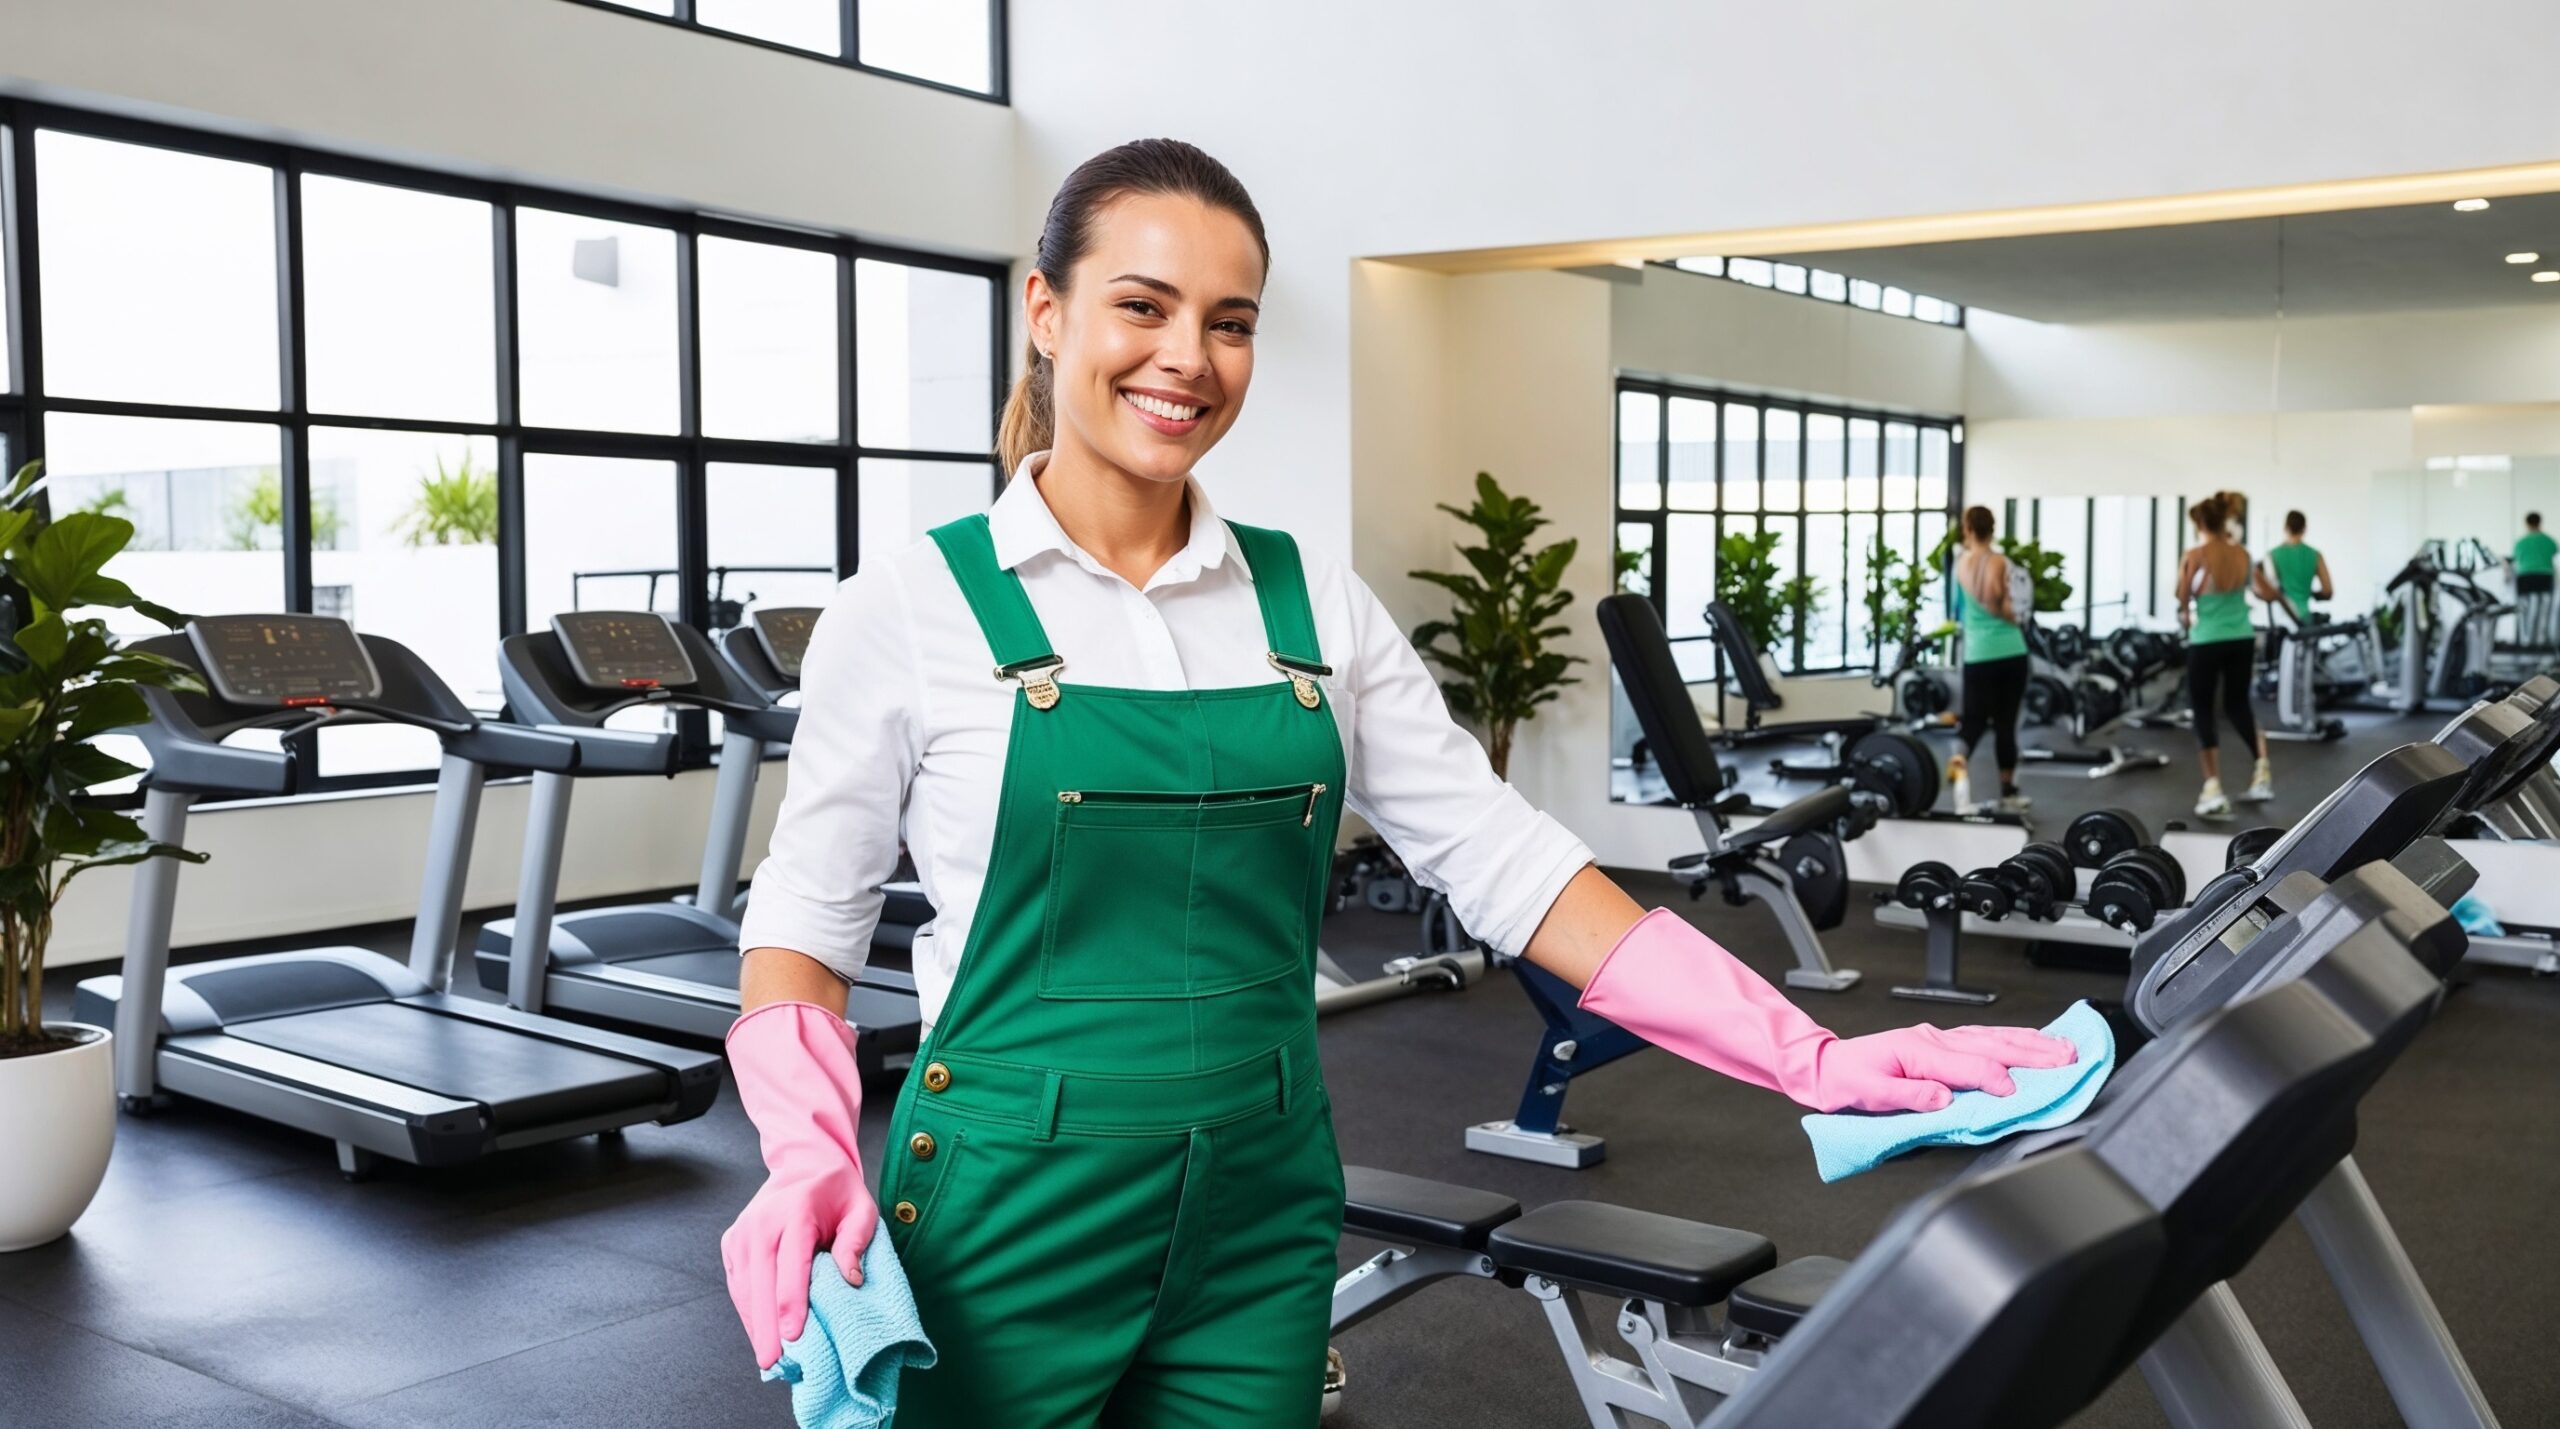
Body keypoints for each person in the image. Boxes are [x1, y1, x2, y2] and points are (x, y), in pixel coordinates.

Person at [714, 139, 2076, 1428]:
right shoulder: (911, 606)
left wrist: (1811, 1056)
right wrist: (805, 1152)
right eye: (1143, 305)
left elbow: (1511, 866)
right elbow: (804, 931)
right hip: (1010, 1199)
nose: (1188, 358)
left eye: (1230, 321)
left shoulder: (1314, 606)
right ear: (1047, 312)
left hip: (1258, 1199)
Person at [2178, 494, 2275, 819]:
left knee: (2203, 709)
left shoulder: (2196, 555)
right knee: (2238, 705)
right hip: (2242, 637)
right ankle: (2261, 771)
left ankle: (2213, 789)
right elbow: (2267, 592)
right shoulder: (2243, 555)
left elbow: (2181, 595)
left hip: (2206, 639)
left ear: (2201, 524)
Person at [1947, 504, 2031, 813]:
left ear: (1967, 529)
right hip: (2011, 651)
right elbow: (2011, 611)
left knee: (1974, 721)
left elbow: (1957, 610)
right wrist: (2009, 613)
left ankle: (1959, 771)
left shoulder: (1960, 565)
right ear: (1992, 529)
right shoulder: (2001, 563)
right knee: (2006, 724)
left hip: (1978, 654)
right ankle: (2008, 794)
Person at [2261, 509, 2333, 625]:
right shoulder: (2315, 555)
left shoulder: (2272, 555)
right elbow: (2328, 592)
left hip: (2281, 620)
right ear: (2304, 529)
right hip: (2305, 620)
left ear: (2285, 527)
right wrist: (2310, 593)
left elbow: (2268, 591)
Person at [2514, 511, 2555, 649]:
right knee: (2543, 610)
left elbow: (2517, 560)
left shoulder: (2521, 542)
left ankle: (2526, 641)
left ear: (2527, 524)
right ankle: (2540, 641)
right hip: (2544, 577)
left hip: (2526, 577)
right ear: (2540, 522)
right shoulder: (2550, 541)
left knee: (2526, 610)